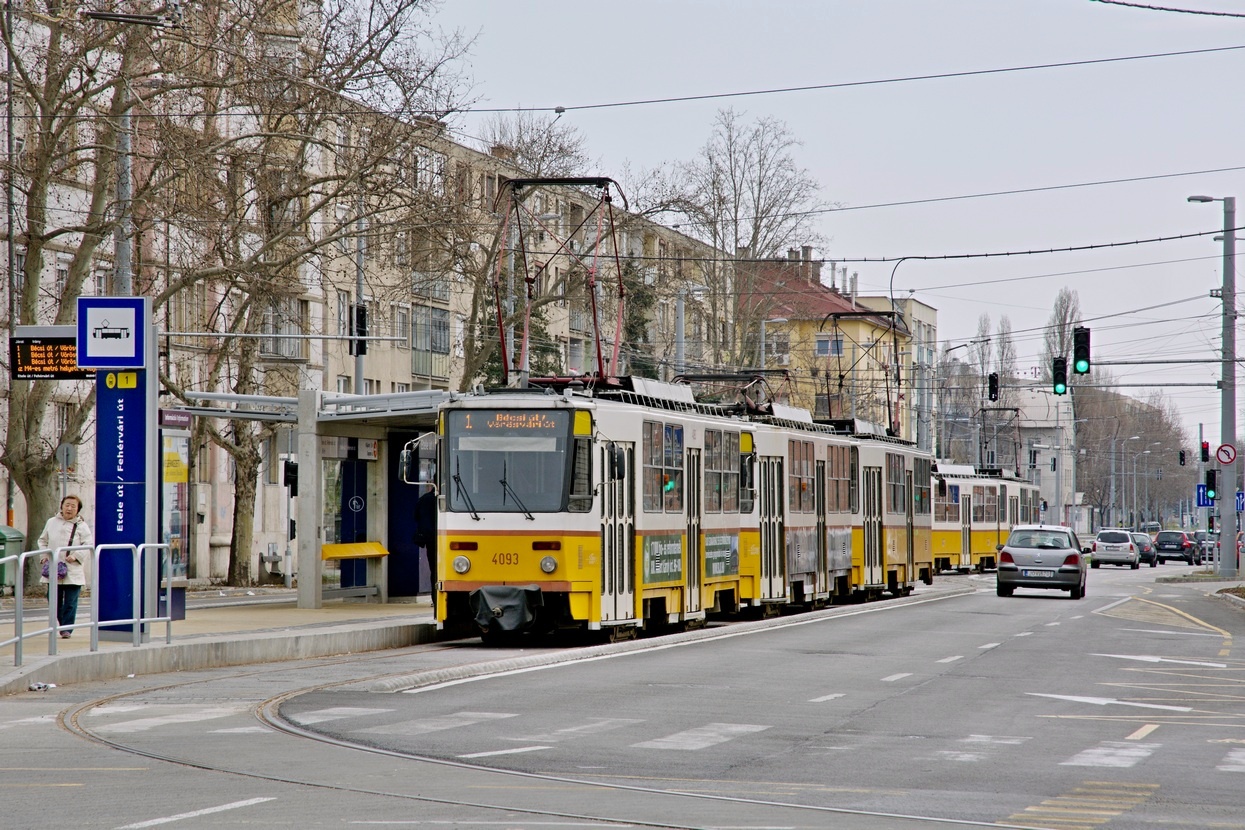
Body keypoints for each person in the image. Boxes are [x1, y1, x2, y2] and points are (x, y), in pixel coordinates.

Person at [38, 495, 93, 638]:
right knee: (54, 600)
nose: (69, 508)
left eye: (73, 506)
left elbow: (88, 544)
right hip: (54, 568)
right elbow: (42, 540)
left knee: (70, 601)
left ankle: (67, 629)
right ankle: (64, 624)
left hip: (72, 568)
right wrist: (44, 556)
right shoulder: (51, 522)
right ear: (61, 506)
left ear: (78, 510)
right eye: (67, 505)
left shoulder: (82, 526)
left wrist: (76, 556)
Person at [414, 488, 438, 603]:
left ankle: (435, 598)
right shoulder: (441, 499)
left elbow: (416, 516)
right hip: (441, 538)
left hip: (430, 540)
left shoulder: (424, 499)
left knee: (434, 570)